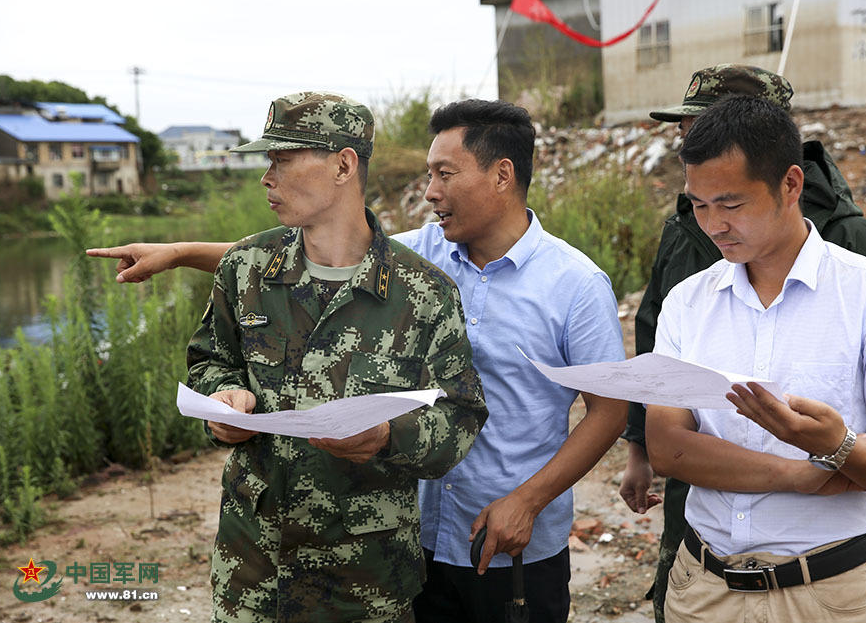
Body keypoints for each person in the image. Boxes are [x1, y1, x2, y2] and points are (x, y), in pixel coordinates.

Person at [89, 99, 630, 623]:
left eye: (444, 174)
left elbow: (608, 411)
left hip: (508, 537)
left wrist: (528, 502)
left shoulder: (572, 285)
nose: (429, 192)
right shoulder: (426, 251)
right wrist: (180, 253)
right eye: (428, 173)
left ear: (502, 175)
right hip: (417, 536)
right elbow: (320, 249)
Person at [616, 63, 866, 622]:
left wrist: (841, 442)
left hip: (830, 595)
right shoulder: (689, 301)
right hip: (703, 589)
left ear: (790, 184)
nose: (713, 225)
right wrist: (814, 470)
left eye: (731, 204)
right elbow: (670, 447)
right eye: (699, 205)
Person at [181, 91, 488, 623]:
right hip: (253, 570)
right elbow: (211, 361)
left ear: (344, 165)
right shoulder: (246, 267)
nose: (267, 177)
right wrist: (222, 402)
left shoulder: (422, 293)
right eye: (267, 161)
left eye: (282, 159)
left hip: (364, 584)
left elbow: (460, 415)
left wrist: (389, 437)